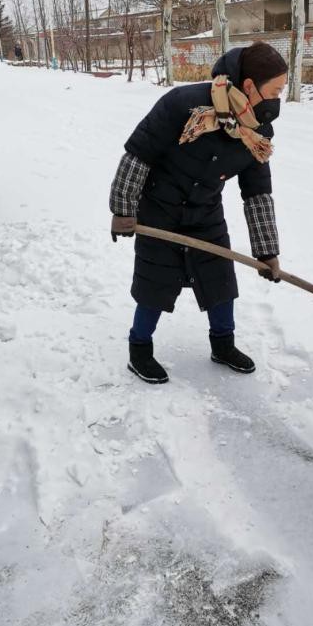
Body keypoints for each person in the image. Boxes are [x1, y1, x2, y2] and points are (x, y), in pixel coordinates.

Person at [109, 41, 287, 384]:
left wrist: (267, 252)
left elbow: (257, 192)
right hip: (160, 211)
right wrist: (122, 208)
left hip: (206, 213)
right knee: (154, 284)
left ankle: (223, 345)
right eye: (276, 91)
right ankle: (139, 349)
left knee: (220, 282)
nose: (278, 99)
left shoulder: (257, 132)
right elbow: (139, 154)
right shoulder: (183, 104)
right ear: (250, 86)